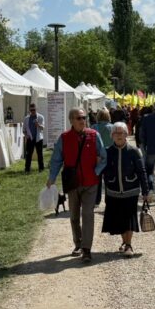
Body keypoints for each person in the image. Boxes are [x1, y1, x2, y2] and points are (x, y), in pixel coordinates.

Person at [47, 108, 106, 262]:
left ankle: (87, 249)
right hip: (72, 183)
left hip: (90, 183)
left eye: (84, 117)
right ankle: (78, 243)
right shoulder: (64, 138)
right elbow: (56, 159)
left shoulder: (94, 135)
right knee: (74, 216)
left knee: (87, 215)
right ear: (71, 120)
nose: (82, 120)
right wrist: (52, 177)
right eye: (79, 118)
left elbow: (104, 156)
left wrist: (96, 171)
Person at [101, 122, 150, 257]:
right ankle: (125, 242)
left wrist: (145, 192)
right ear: (112, 136)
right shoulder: (107, 152)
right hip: (113, 191)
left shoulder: (134, 151)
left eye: (121, 132)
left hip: (131, 191)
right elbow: (101, 171)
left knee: (129, 218)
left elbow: (142, 171)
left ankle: (128, 245)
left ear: (126, 135)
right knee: (119, 220)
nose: (118, 135)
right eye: (116, 133)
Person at [92, 108, 115, 205]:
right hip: (110, 155)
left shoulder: (93, 127)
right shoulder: (113, 127)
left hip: (97, 156)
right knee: (108, 179)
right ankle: (108, 199)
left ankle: (96, 200)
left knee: (97, 179)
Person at [22, 103, 46, 173]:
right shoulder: (26, 119)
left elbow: (43, 128)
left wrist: (38, 125)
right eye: (31, 110)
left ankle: (41, 168)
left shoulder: (41, 117)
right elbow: (24, 130)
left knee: (40, 154)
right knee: (28, 154)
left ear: (36, 109)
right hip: (30, 139)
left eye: (34, 110)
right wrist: (26, 135)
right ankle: (27, 169)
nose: (33, 111)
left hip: (39, 138)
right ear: (29, 110)